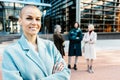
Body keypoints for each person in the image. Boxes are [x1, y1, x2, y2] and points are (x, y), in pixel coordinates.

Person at [2, 5, 70, 80]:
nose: (34, 23)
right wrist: (54, 77)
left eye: (38, 19)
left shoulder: (50, 46)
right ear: (20, 21)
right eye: (29, 18)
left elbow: (65, 73)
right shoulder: (10, 52)